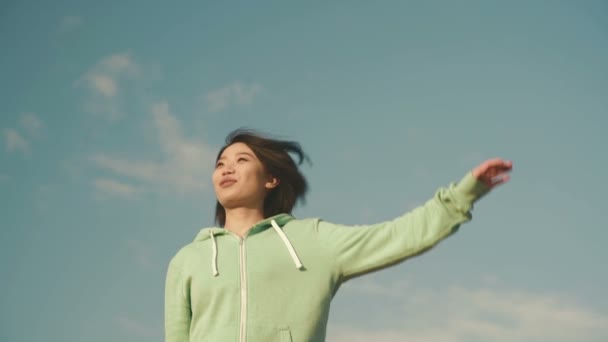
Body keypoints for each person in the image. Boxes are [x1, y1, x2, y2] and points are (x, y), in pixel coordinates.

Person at [164, 129, 513, 342]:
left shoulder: (311, 242)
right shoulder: (187, 261)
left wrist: (463, 195)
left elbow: (397, 236)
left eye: (241, 160)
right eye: (221, 162)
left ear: (271, 179)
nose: (227, 167)